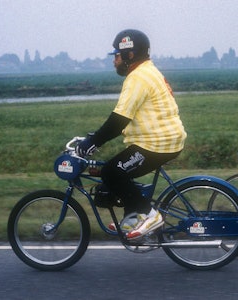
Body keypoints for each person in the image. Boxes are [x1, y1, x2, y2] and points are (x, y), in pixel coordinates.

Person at [76, 29, 187, 239]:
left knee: (111, 172)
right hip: (159, 141)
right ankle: (132, 216)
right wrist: (96, 137)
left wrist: (92, 142)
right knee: (119, 171)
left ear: (129, 55)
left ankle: (149, 214)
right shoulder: (148, 71)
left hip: (157, 144)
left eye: (116, 55)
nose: (114, 61)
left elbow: (118, 120)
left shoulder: (138, 78)